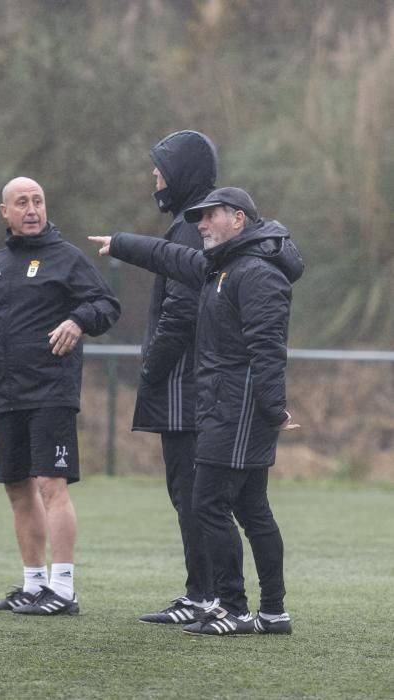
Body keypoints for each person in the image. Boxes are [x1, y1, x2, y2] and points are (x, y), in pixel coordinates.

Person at [89, 186, 304, 636]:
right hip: (225, 407)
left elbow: (268, 348)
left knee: (207, 502)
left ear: (238, 219)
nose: (200, 224)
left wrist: (272, 408)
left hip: (240, 409)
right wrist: (122, 243)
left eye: (209, 216)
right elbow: (169, 257)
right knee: (251, 507)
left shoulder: (257, 273)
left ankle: (235, 610)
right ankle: (274, 613)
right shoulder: (219, 266)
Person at [0, 176, 120, 616]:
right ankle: (33, 585)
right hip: (4, 396)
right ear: (5, 212)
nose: (32, 209)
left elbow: (108, 306)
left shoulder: (67, 259)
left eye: (38, 201)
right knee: (17, 490)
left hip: (51, 392)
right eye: (21, 202)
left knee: (51, 485)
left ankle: (64, 589)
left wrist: (77, 320)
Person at [123, 130, 217, 624]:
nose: (154, 177)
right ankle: (202, 593)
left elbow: (179, 315)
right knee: (193, 496)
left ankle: (208, 597)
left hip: (185, 388)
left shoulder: (186, 227)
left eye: (160, 168)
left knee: (192, 496)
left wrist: (150, 369)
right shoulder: (190, 223)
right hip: (191, 386)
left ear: (180, 172)